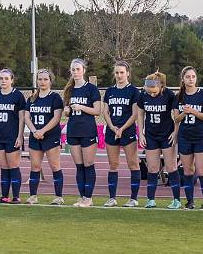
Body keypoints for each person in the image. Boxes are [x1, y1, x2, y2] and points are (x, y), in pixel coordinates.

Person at [63, 58, 102, 207]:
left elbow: (97, 111)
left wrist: (81, 107)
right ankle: (82, 197)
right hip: (73, 130)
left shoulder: (91, 89)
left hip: (88, 130)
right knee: (78, 165)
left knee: (88, 164)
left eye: (78, 69)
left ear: (84, 70)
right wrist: (67, 111)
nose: (75, 72)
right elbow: (67, 111)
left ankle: (88, 198)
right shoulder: (69, 90)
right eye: (73, 70)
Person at [138, 71, 179, 209]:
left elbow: (176, 116)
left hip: (166, 134)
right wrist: (141, 133)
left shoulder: (169, 95)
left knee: (172, 167)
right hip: (151, 135)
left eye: (154, 92)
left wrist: (175, 132)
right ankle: (151, 199)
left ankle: (176, 200)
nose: (151, 94)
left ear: (161, 86)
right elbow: (140, 113)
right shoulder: (143, 95)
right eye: (149, 92)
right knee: (152, 168)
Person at [102, 61, 141, 207]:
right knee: (113, 164)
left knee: (133, 163)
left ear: (128, 73)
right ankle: (112, 198)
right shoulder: (110, 91)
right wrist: (112, 127)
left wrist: (122, 128)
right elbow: (105, 111)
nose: (119, 75)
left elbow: (135, 113)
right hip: (112, 130)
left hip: (127, 130)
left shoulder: (133, 91)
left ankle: (133, 198)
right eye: (117, 72)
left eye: (122, 72)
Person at [173, 66, 203, 210]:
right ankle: (190, 201)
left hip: (200, 136)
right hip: (185, 136)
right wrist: (185, 113)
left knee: (201, 170)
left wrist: (193, 111)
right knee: (188, 170)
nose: (191, 79)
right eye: (188, 77)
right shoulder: (179, 96)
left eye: (193, 76)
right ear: (183, 79)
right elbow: (176, 119)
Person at [25, 69, 65, 205]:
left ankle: (58, 196)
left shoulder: (55, 97)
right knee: (35, 166)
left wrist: (43, 130)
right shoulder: (31, 98)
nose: (42, 82)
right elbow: (26, 117)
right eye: (40, 79)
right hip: (35, 135)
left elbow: (57, 117)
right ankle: (33, 196)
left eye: (45, 79)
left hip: (50, 135)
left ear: (50, 81)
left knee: (55, 165)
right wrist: (35, 131)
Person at [0, 69, 26, 204]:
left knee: (13, 166)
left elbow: (22, 118)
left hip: (12, 136)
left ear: (12, 80)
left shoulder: (18, 96)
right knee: (3, 167)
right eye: (1, 78)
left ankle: (16, 196)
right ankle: (5, 196)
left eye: (6, 78)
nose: (3, 81)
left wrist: (20, 136)